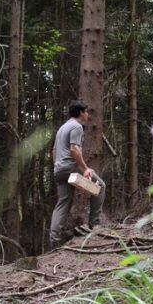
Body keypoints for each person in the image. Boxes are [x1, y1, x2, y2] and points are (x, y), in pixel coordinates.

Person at [49, 100, 106, 247]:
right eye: (86, 112)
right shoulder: (76, 126)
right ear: (81, 112)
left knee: (63, 203)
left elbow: (54, 151)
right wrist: (85, 169)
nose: (87, 115)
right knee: (100, 187)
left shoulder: (62, 128)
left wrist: (57, 166)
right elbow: (74, 149)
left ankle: (54, 240)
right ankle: (95, 224)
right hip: (69, 169)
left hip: (59, 170)